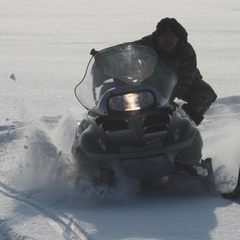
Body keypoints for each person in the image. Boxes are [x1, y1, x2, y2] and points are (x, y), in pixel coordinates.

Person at [130, 17, 217, 125]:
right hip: (154, 82)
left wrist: (167, 99)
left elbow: (186, 79)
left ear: (178, 37)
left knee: (206, 94)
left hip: (183, 82)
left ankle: (187, 123)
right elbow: (127, 49)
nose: (168, 41)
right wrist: (106, 60)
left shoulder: (186, 50)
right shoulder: (148, 43)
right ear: (158, 37)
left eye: (172, 37)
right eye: (164, 37)